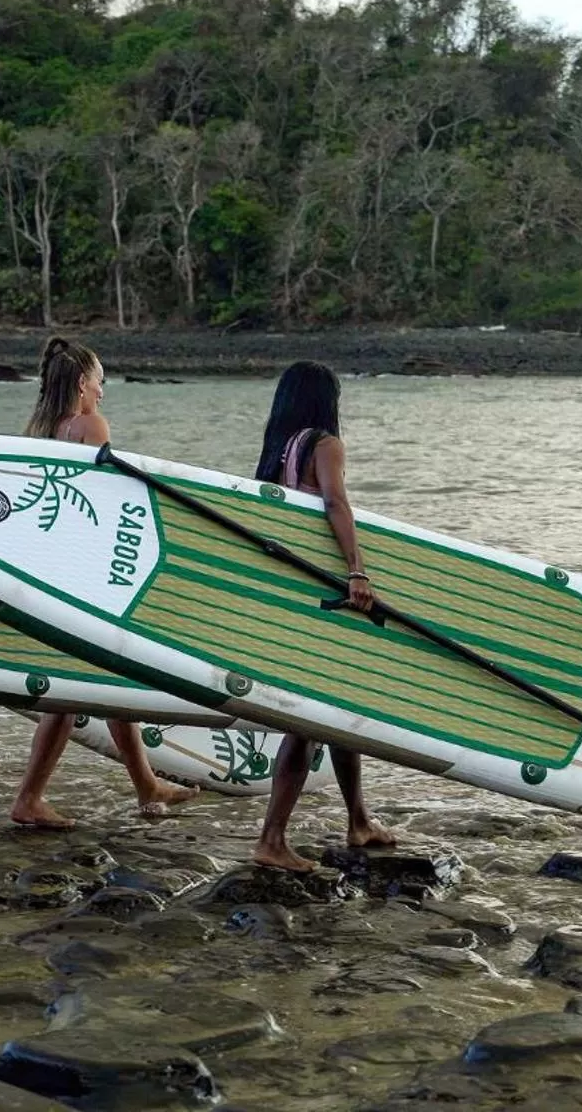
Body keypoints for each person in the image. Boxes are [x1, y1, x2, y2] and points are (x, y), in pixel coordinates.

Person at [7, 337, 198, 828]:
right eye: (99, 382)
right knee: (72, 694)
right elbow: (108, 504)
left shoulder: (38, 431)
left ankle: (146, 786)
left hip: (48, 569)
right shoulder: (88, 426)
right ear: (80, 384)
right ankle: (29, 799)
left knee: (109, 682)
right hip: (83, 573)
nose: (103, 393)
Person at [249, 360, 397, 870]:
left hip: (291, 594)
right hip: (323, 593)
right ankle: (271, 840)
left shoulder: (277, 452)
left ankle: (358, 820)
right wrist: (358, 570)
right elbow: (336, 503)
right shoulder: (325, 446)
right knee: (310, 719)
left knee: (333, 707)